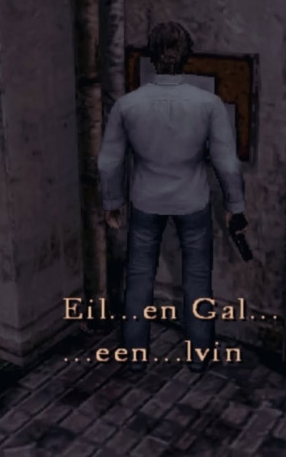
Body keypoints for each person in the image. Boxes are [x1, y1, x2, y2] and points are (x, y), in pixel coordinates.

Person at [97, 21, 246, 373]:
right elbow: (227, 163)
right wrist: (235, 206)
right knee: (198, 280)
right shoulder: (208, 104)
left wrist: (112, 202)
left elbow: (108, 161)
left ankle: (135, 356)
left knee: (138, 280)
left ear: (152, 55)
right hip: (192, 200)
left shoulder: (127, 105)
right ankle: (200, 355)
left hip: (145, 200)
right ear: (186, 55)